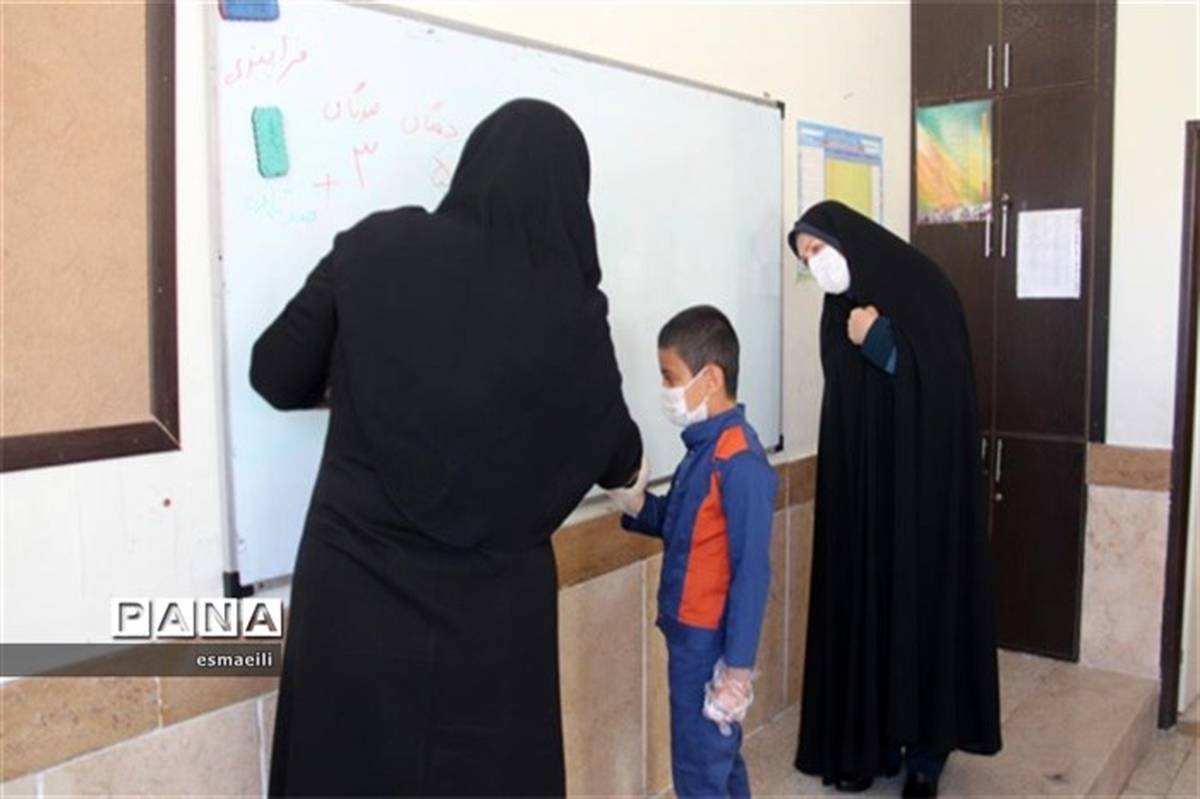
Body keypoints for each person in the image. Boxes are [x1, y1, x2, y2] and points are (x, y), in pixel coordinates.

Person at [251, 99, 645, 797]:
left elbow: (275, 373)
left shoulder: (376, 248)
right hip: (494, 628)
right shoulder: (575, 316)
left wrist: (362, 375)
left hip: (355, 593)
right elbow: (624, 461)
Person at [787, 201, 1002, 798]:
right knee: (869, 609)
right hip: (868, 495)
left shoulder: (927, 288)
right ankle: (869, 743)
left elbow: (946, 386)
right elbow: (847, 403)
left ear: (847, 239)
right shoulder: (837, 309)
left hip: (925, 494)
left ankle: (927, 752)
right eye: (806, 258)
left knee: (922, 609)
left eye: (817, 249)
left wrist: (880, 340)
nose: (816, 264)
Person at [609, 305, 779, 799]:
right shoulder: (704, 449)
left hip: (708, 644)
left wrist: (737, 671)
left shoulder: (738, 460)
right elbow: (681, 526)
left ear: (711, 378)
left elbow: (752, 572)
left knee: (699, 770)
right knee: (716, 760)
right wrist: (637, 503)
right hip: (687, 636)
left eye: (670, 376)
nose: (664, 389)